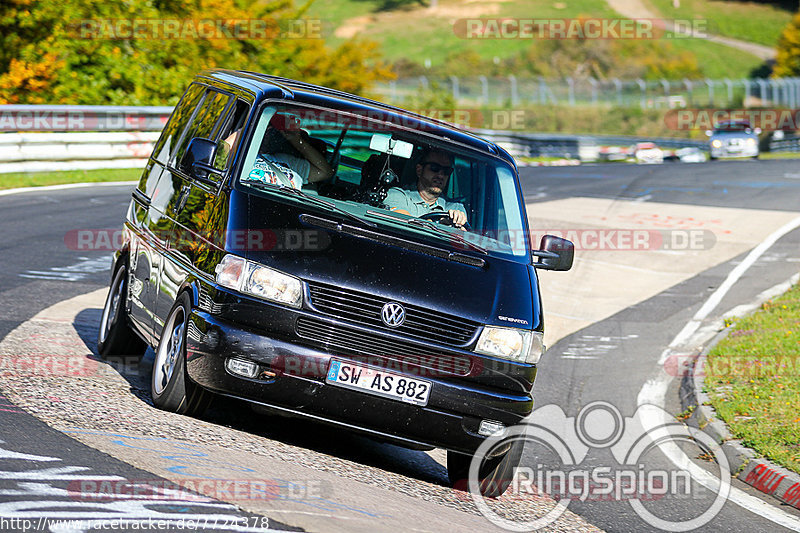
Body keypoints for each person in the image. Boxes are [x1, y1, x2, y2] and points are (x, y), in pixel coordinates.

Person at [243, 113, 334, 189]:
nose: (268, 134)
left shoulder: (290, 162)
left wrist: (298, 142)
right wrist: (245, 131)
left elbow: (325, 173)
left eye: (274, 131)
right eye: (265, 128)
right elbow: (228, 148)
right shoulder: (242, 156)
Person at [383, 148, 468, 227]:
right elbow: (403, 224)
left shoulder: (456, 208)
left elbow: (462, 239)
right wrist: (440, 225)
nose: (441, 175)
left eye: (446, 171)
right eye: (434, 168)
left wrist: (458, 223)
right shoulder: (397, 195)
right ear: (419, 170)